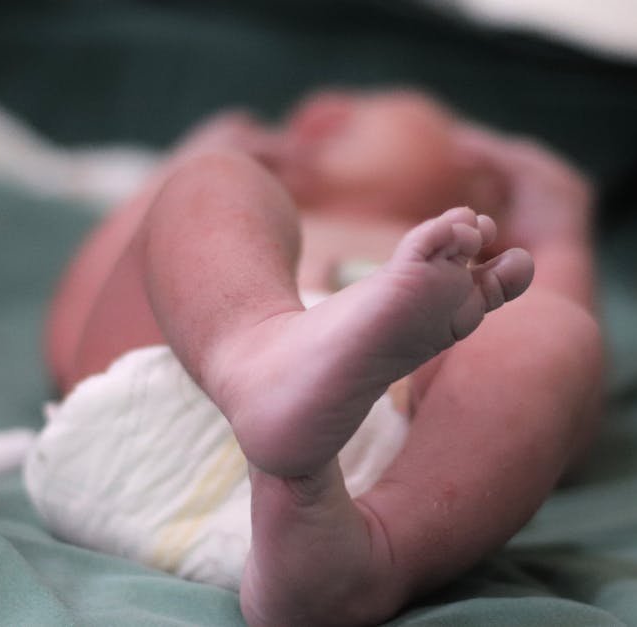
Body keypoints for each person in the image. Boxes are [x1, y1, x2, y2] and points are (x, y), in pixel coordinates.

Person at [40, 89, 604, 626]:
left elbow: (561, 420)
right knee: (213, 181)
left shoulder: (469, 279)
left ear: (487, 191)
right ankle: (255, 356)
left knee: (550, 324)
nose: (311, 114)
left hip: (368, 498)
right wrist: (172, 178)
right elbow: (77, 331)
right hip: (159, 404)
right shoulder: (248, 216)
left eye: (360, 110)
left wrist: (557, 242)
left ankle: (369, 559)